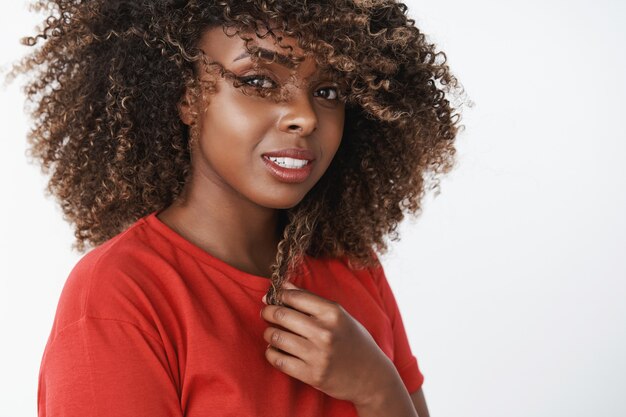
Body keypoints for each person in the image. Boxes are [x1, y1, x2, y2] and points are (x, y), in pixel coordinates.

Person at [15, 0, 463, 416]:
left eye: (327, 91)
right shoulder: (121, 295)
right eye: (258, 82)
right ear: (188, 98)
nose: (305, 116)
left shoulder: (352, 264)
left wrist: (378, 389)